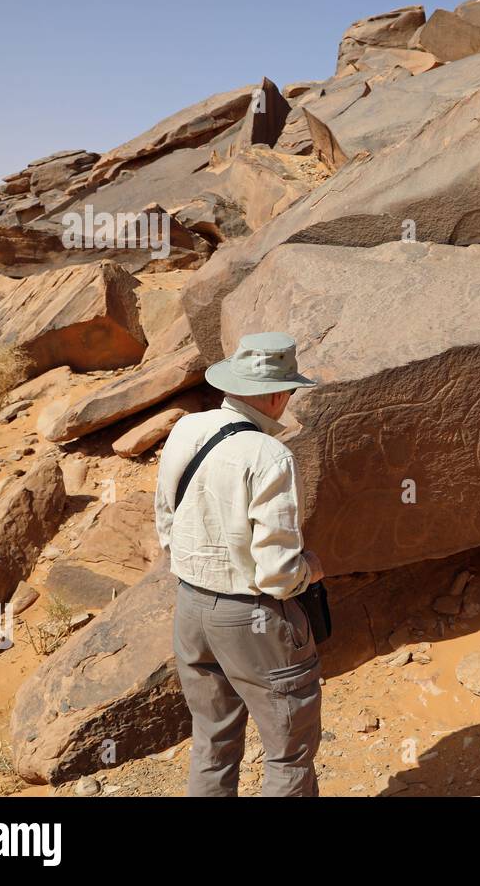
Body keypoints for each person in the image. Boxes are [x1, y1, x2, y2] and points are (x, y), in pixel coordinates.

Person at [155, 332, 326, 796]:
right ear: (273, 394)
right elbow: (277, 573)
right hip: (251, 616)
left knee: (212, 739)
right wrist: (311, 570)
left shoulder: (187, 429)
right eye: (289, 391)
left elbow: (165, 519)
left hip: (191, 606)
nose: (288, 401)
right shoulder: (270, 456)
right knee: (288, 754)